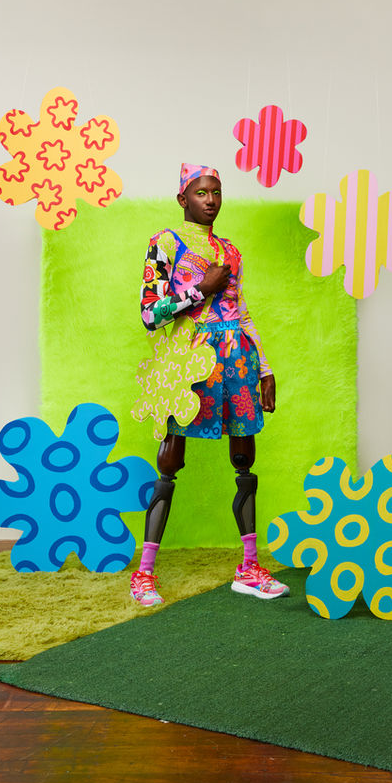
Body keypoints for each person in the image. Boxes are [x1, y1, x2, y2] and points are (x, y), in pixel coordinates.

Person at [131, 163, 289, 606]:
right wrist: (201, 288)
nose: (211, 200)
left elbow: (240, 310)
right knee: (170, 460)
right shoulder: (166, 243)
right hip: (188, 362)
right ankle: (144, 573)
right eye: (201, 192)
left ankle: (249, 567)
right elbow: (149, 314)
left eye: (216, 192)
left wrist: (265, 368)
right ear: (183, 199)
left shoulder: (230, 251)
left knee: (244, 456)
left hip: (236, 359)